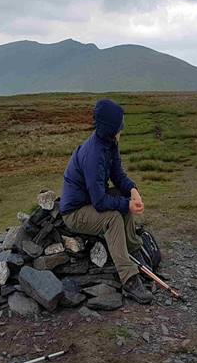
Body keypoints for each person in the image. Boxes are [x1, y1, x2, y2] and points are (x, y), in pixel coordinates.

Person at [60, 99, 153, 304]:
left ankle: (133, 249)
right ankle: (129, 279)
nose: (122, 129)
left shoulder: (109, 143)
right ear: (111, 128)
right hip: (75, 212)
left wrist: (133, 190)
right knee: (112, 218)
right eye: (120, 126)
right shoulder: (93, 154)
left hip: (90, 201)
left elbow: (118, 175)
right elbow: (100, 202)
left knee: (122, 196)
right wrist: (125, 204)